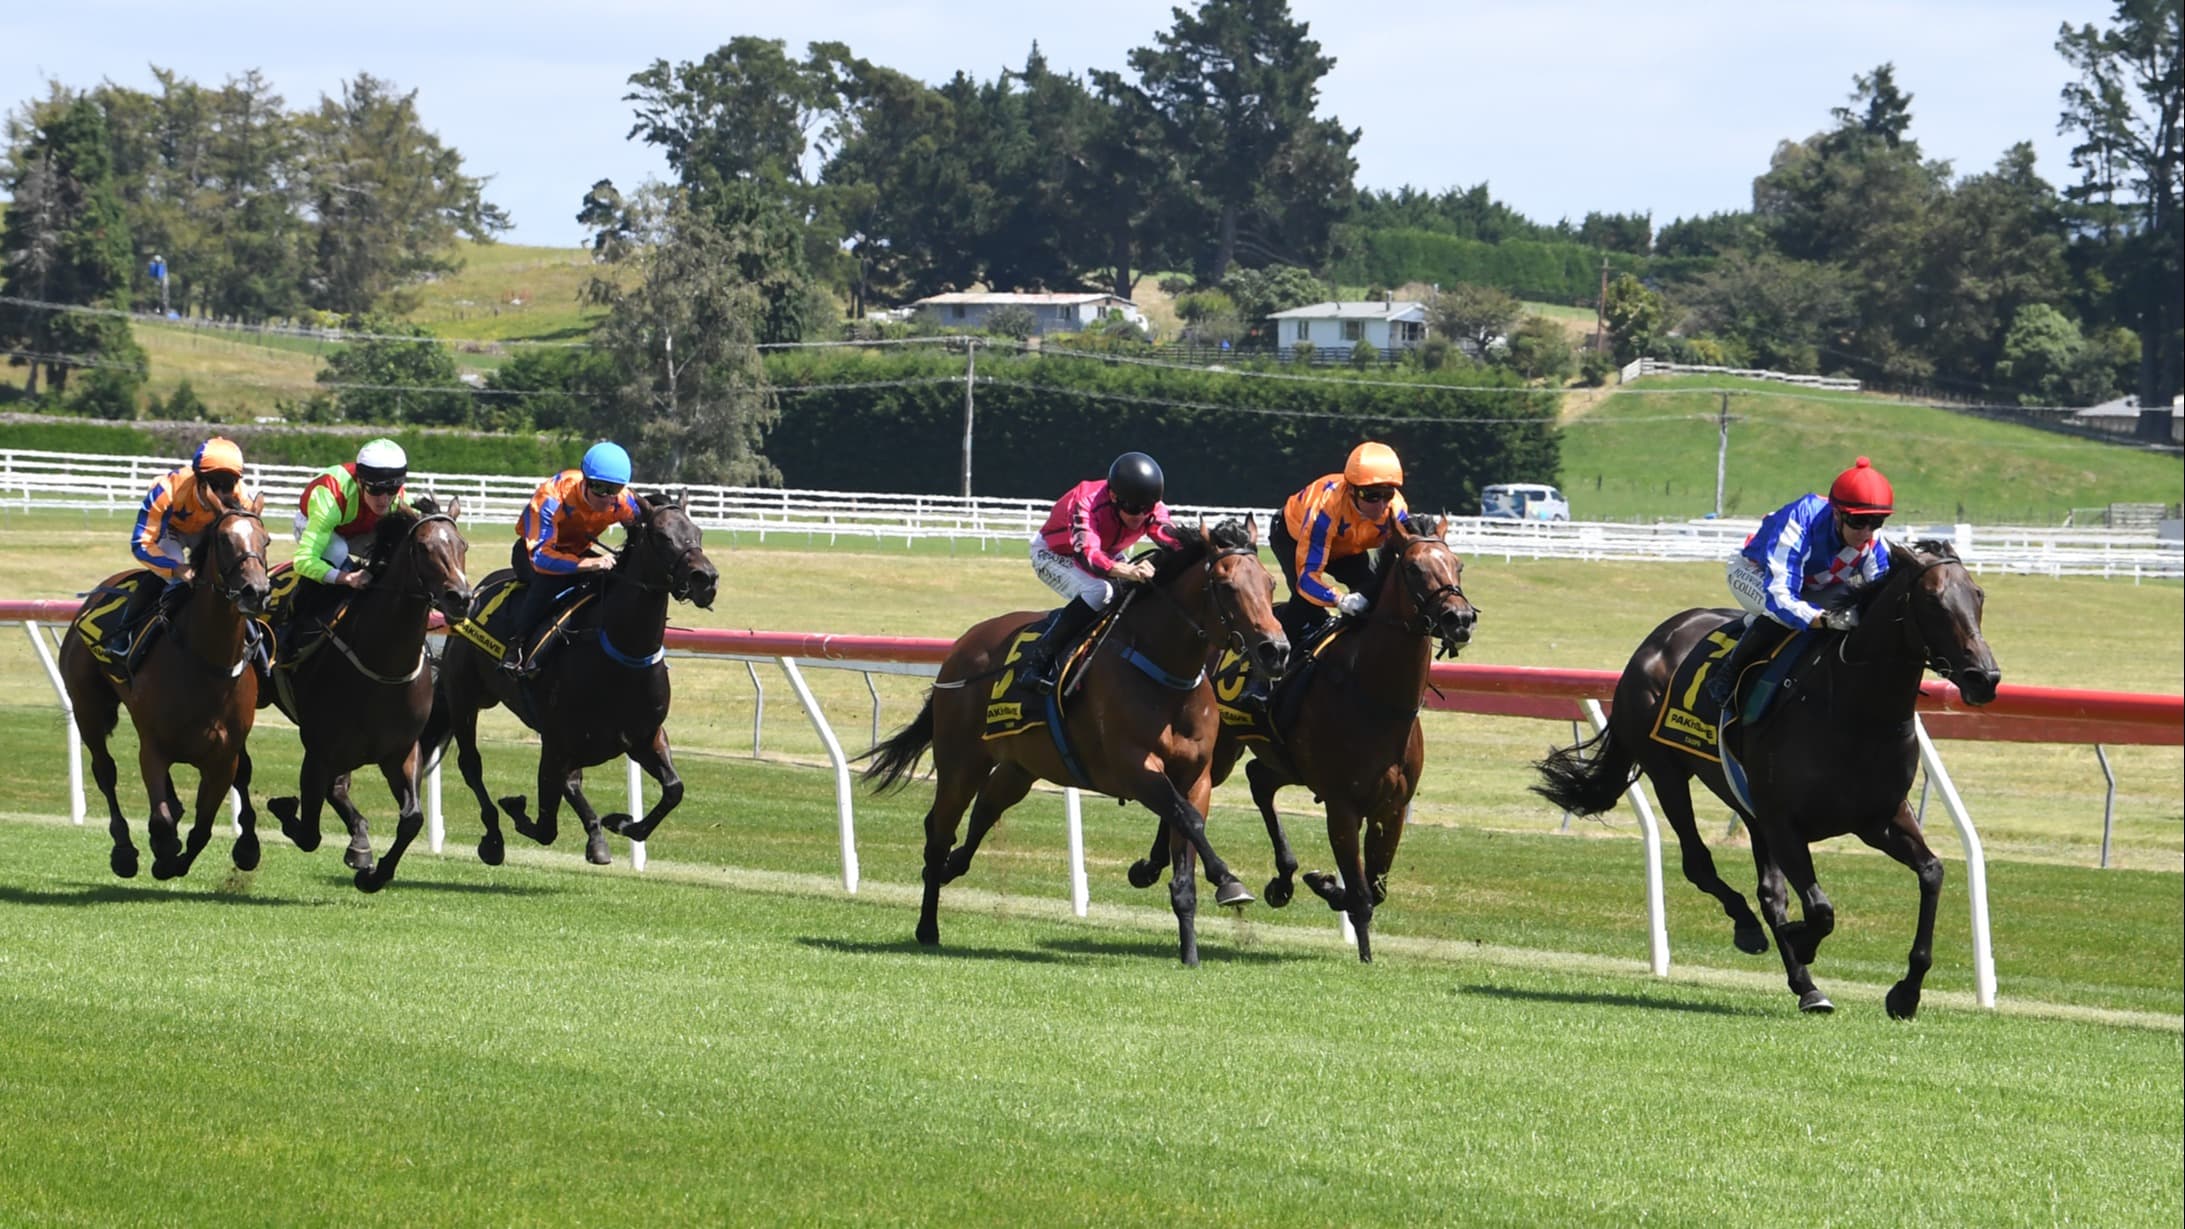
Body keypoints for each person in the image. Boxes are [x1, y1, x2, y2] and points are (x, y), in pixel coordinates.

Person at [1705, 456, 1895, 711]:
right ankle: (1728, 672)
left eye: (1877, 522)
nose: (1866, 533)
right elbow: (1780, 597)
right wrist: (1826, 619)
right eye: (1858, 522)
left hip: (1816, 587)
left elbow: (1883, 596)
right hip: (1754, 573)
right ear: (1837, 514)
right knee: (1778, 615)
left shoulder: (1872, 538)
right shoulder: (1800, 520)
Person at [1016, 451, 1182, 693]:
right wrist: (1125, 570)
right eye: (1133, 508)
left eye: (1146, 508)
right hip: (1056, 553)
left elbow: (1174, 540)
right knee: (1099, 591)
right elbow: (1089, 555)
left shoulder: (1151, 507)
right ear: (1113, 496)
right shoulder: (1086, 502)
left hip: (1106, 551)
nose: (1139, 516)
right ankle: (1037, 662)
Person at [500, 441, 641, 675]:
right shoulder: (551, 497)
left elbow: (646, 524)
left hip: (577, 550)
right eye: (599, 488)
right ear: (585, 480)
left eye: (613, 489)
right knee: (549, 582)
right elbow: (541, 558)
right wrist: (588, 564)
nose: (606, 498)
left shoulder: (622, 500)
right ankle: (517, 646)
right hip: (533, 555)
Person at [1272, 440, 1413, 646]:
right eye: (1371, 495)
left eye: (1387, 494)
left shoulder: (1397, 511)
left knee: (1372, 593)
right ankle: (1273, 661)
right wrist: (1340, 600)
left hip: (1346, 547)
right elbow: (1308, 579)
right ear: (1351, 490)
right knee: (1307, 605)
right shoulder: (1325, 510)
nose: (1381, 505)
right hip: (1293, 537)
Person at [131, 436, 254, 616]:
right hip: (171, 530)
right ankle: (125, 634)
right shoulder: (166, 490)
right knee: (173, 570)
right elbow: (141, 543)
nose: (222, 493)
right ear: (199, 480)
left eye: (229, 484)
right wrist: (176, 569)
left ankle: (252, 631)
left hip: (208, 531)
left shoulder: (242, 498)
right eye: (215, 484)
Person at [291, 439, 412, 613]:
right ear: (360, 482)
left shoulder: (400, 498)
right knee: (338, 550)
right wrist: (346, 578)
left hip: (357, 527)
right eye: (375, 490)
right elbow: (303, 561)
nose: (385, 500)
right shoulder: (331, 493)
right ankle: (293, 621)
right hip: (314, 523)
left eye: (392, 490)